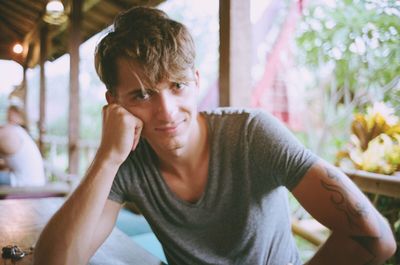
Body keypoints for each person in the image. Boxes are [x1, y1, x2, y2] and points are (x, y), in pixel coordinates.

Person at [33, 6, 396, 265]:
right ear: (114, 103)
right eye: (141, 95)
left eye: (177, 86)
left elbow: (376, 239)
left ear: (196, 81)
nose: (166, 112)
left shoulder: (252, 134)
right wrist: (107, 157)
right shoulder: (127, 160)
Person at [0, 105, 46, 186]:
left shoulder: (10, 133)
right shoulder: (21, 133)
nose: (9, 116)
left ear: (21, 117)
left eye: (13, 114)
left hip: (25, 185)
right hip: (36, 183)